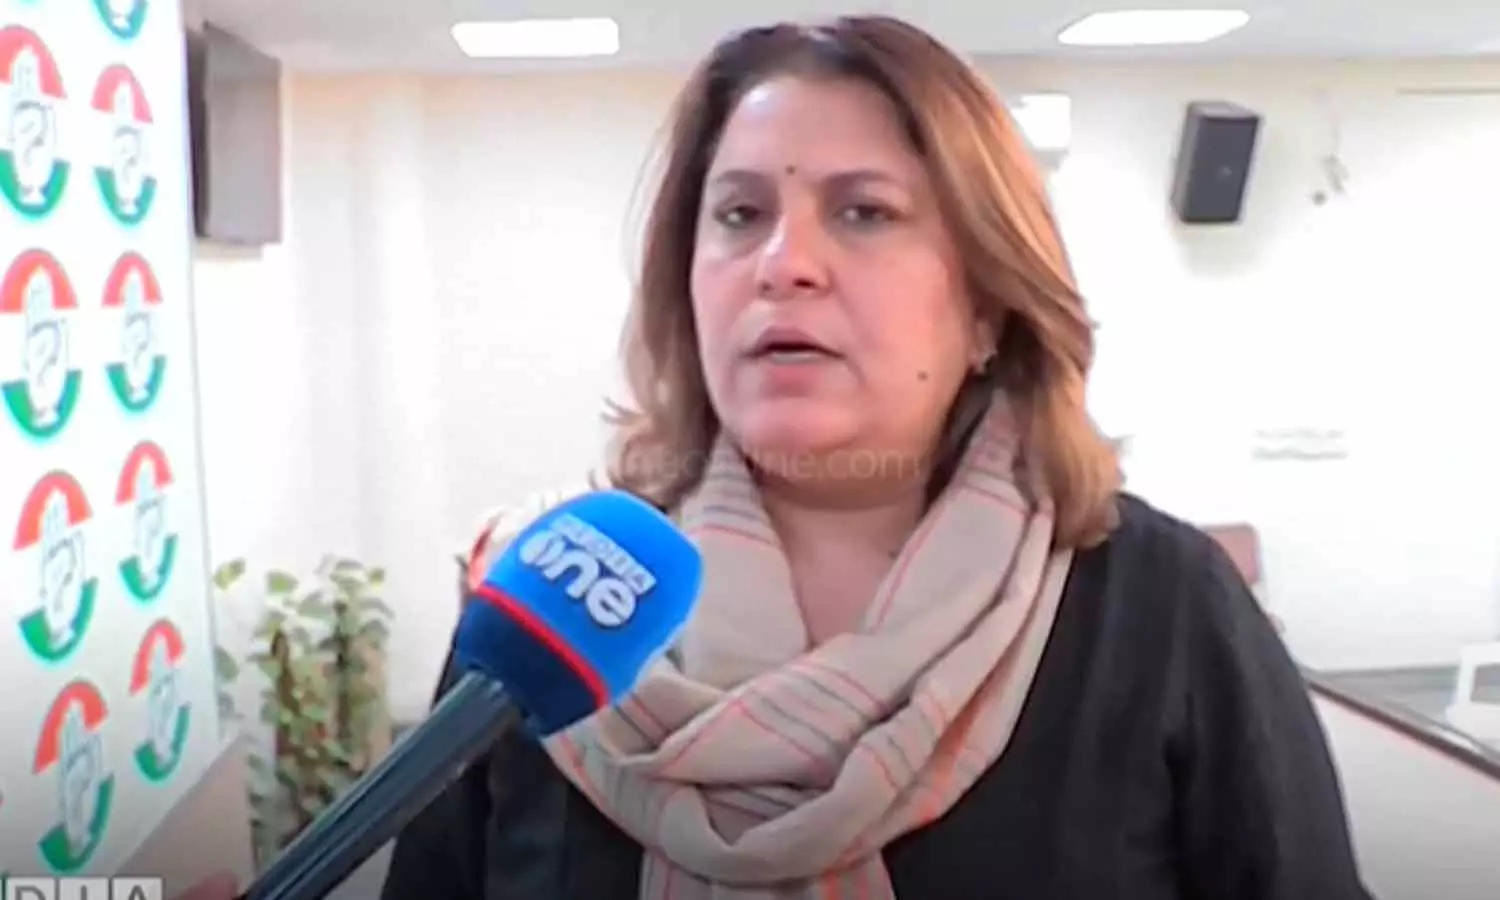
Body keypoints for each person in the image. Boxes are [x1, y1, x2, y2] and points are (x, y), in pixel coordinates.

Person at [178, 13, 1375, 900]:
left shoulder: (1161, 609)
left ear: (986, 308)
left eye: (864, 211)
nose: (783, 263)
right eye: (740, 214)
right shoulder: (552, 604)